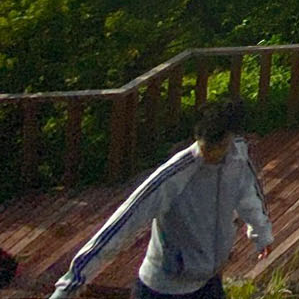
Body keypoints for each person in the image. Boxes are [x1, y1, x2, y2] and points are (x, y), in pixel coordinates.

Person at [50, 99, 271, 299]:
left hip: (207, 284)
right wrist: (72, 283)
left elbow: (249, 195)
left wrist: (261, 233)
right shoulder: (174, 175)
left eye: (218, 147)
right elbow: (123, 223)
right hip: (162, 290)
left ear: (230, 139)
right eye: (205, 147)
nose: (209, 154)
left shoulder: (237, 158)